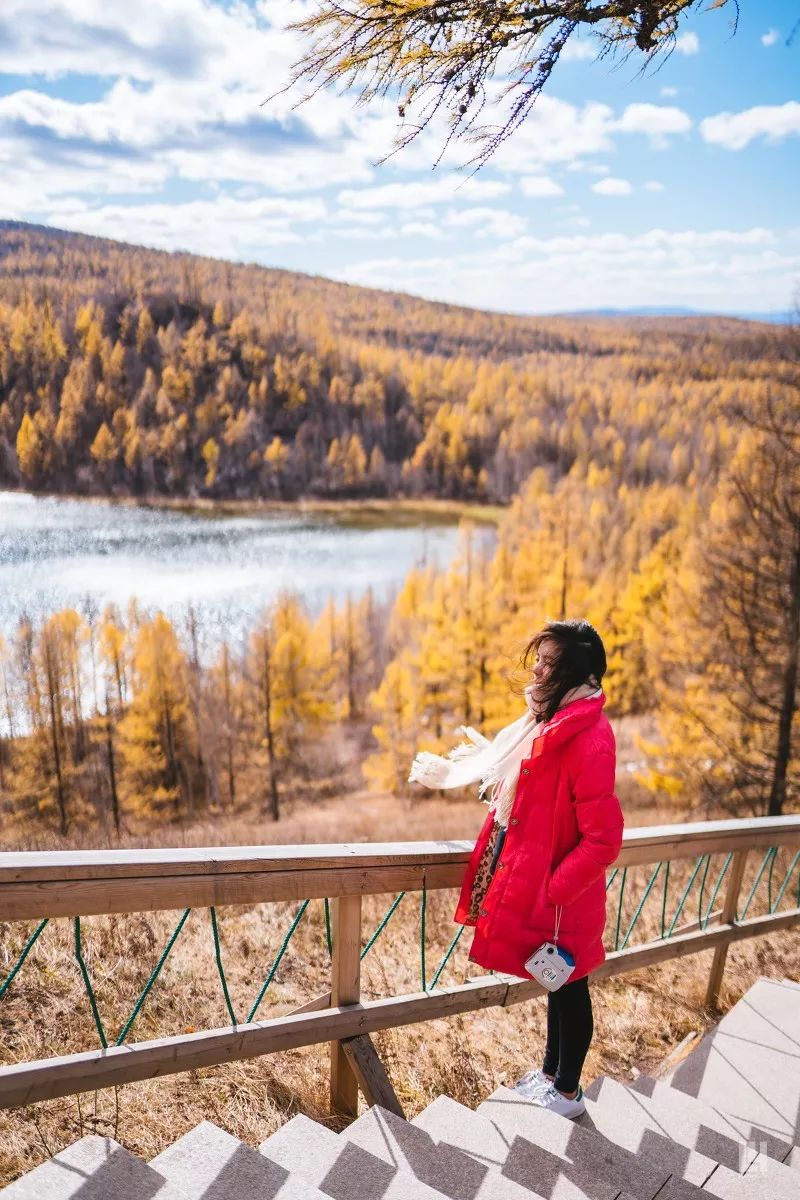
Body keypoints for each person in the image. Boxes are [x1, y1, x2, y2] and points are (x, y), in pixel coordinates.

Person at [409, 618, 624, 1119]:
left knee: (570, 988)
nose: (539, 669)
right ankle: (553, 1075)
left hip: (564, 897)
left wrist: (554, 889)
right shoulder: (549, 724)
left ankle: (568, 1092)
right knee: (559, 982)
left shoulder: (588, 737)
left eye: (549, 662)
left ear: (574, 671)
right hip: (553, 894)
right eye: (539, 659)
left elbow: (603, 838)